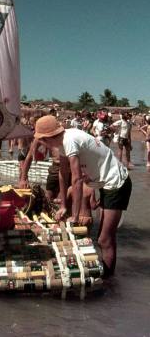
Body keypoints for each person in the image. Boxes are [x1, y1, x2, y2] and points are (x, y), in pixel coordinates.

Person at [32, 115, 132, 277]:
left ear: (47, 138)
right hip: (103, 184)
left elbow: (76, 179)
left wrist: (75, 215)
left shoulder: (70, 141)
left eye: (41, 141)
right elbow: (63, 173)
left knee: (104, 239)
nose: (41, 144)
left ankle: (108, 281)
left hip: (116, 183)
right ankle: (108, 277)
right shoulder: (63, 142)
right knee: (105, 237)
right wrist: (64, 205)